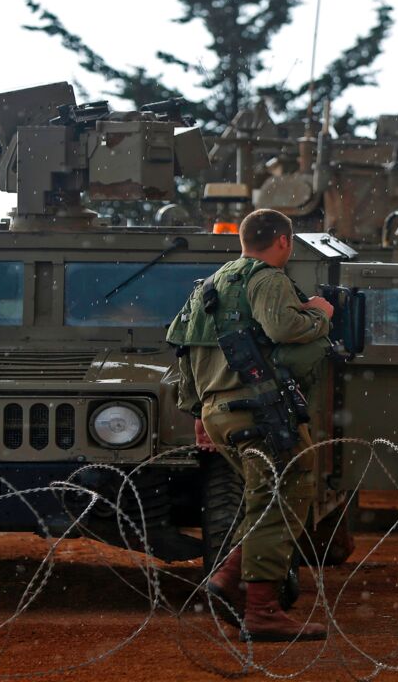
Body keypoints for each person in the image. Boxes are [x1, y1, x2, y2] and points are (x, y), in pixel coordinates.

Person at [169, 209, 335, 642]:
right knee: (286, 497)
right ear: (284, 241)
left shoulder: (210, 285)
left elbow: (183, 350)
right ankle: (261, 608)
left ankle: (229, 578)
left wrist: (197, 414)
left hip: (218, 412)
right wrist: (320, 314)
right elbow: (283, 326)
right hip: (259, 411)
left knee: (265, 499)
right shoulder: (266, 279)